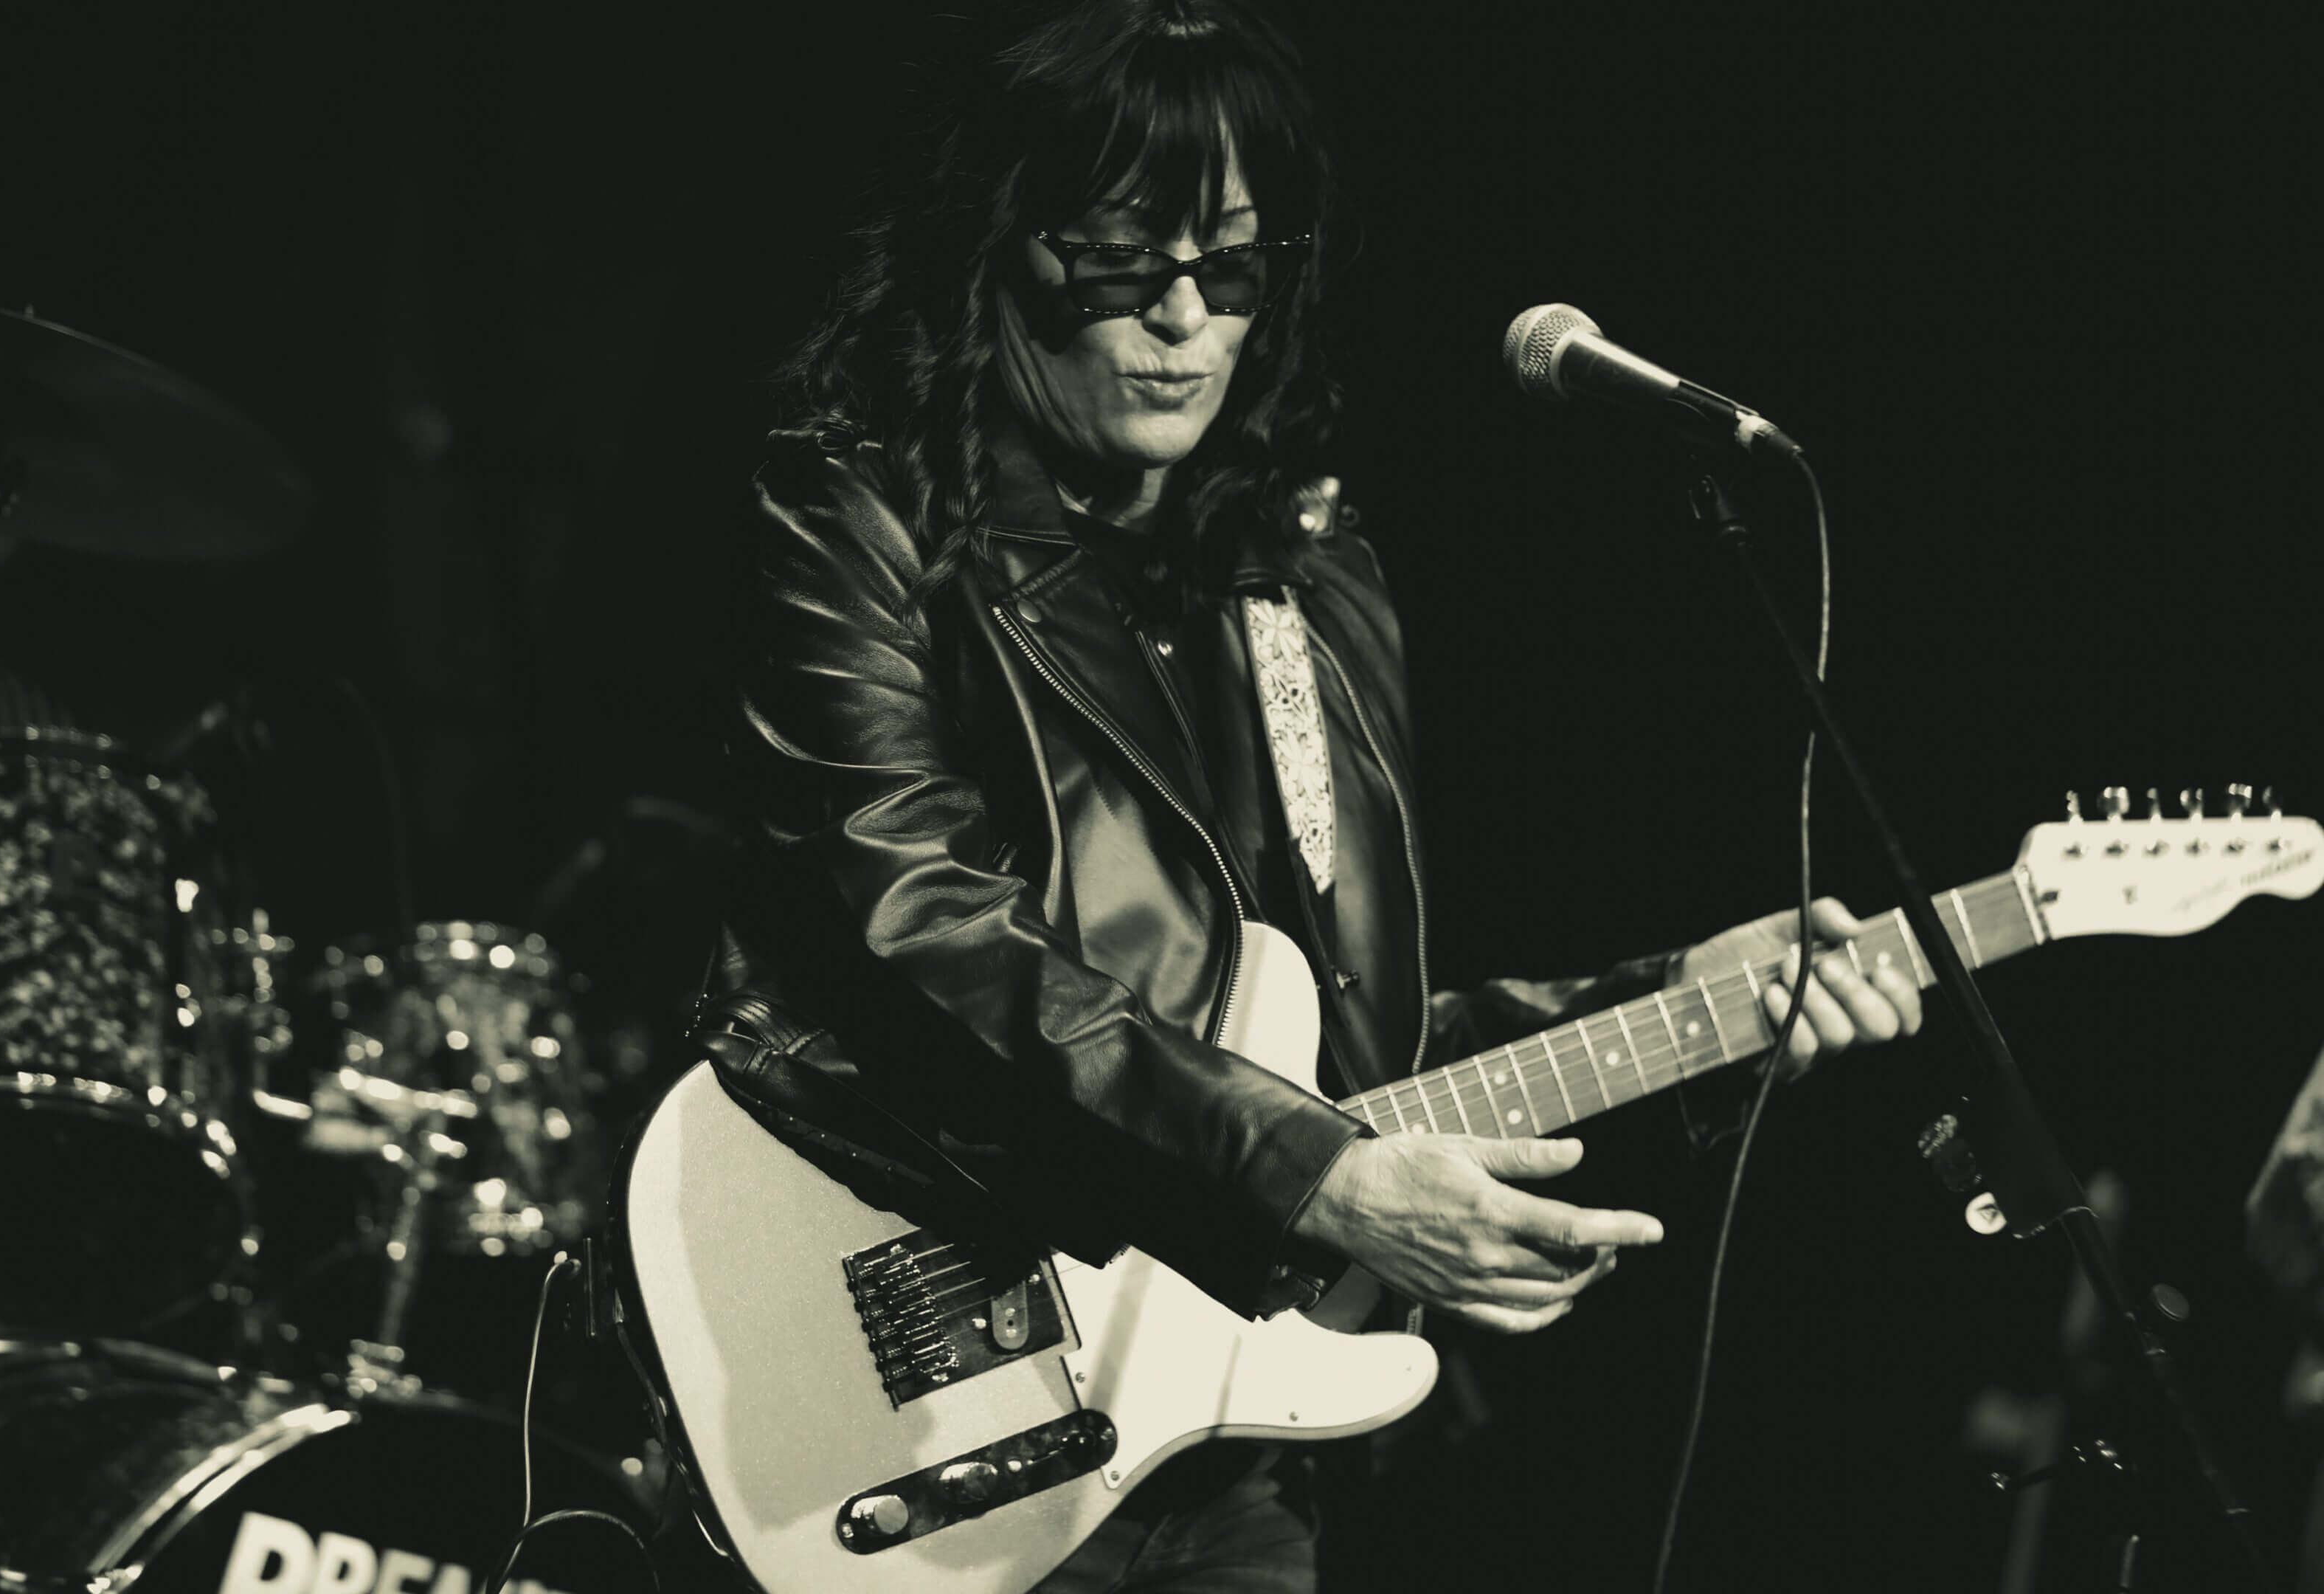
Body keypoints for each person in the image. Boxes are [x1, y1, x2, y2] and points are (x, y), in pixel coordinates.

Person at [712, 1, 1924, 1586]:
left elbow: (1349, 1055)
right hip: (918, 1359)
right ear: (996, 246)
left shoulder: (1297, 572)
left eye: (1231, 270)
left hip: (1227, 1446)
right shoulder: (859, 506)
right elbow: (915, 927)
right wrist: (1316, 1174)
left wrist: (1675, 1001)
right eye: (1122, 262)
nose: (1183, 322)